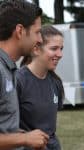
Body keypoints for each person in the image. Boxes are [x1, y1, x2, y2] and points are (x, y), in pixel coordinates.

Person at [0, 0, 49, 149]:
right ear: (20, 31)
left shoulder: (9, 68)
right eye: (37, 32)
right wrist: (24, 139)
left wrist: (19, 135)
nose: (40, 39)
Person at [16, 25, 64, 150]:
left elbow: (50, 129)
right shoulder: (18, 80)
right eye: (54, 48)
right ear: (36, 49)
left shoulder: (56, 82)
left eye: (61, 49)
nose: (60, 54)